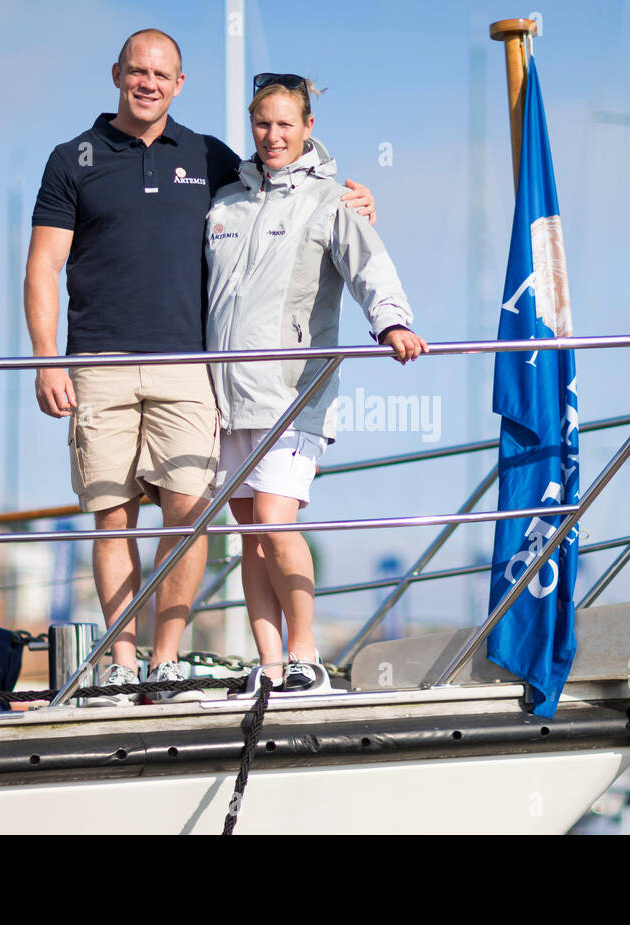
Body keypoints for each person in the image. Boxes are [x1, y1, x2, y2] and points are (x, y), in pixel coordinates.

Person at [25, 31, 375, 705]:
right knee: (112, 517)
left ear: (179, 83)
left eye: (161, 73)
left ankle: (164, 659)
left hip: (190, 364)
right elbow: (42, 267)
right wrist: (47, 360)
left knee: (191, 513)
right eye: (137, 71)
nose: (147, 82)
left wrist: (348, 202)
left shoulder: (210, 156)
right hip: (98, 362)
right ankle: (122, 662)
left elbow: (282, 182)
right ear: (117, 74)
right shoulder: (74, 159)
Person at [205, 74, 427, 692]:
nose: (272, 136)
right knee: (250, 537)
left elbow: (368, 266)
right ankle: (269, 665)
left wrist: (393, 323)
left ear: (307, 129)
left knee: (277, 522)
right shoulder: (224, 202)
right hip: (226, 398)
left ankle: (305, 657)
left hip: (292, 394)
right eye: (262, 124)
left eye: (284, 124)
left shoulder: (330, 201)